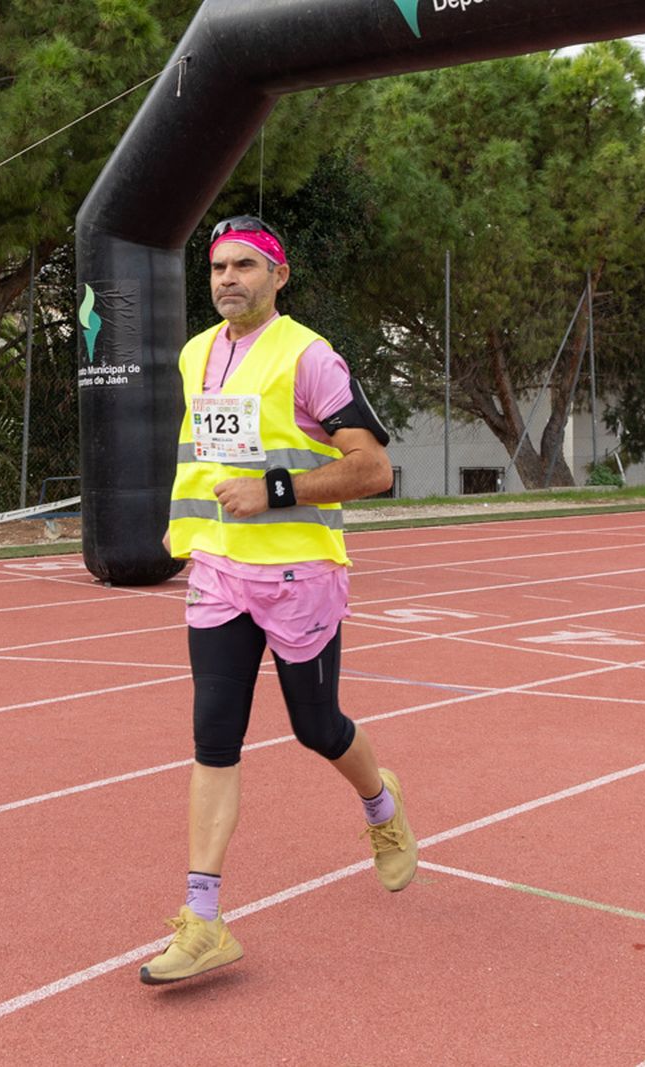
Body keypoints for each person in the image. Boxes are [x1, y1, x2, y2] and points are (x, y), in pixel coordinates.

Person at [139, 215, 417, 986]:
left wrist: (277, 490)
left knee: (317, 727)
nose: (228, 278)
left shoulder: (311, 357)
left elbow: (374, 470)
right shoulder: (197, 352)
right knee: (212, 737)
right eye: (218, 268)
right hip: (221, 574)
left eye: (245, 267)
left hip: (301, 576)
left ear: (278, 276)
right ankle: (203, 920)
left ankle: (381, 805)